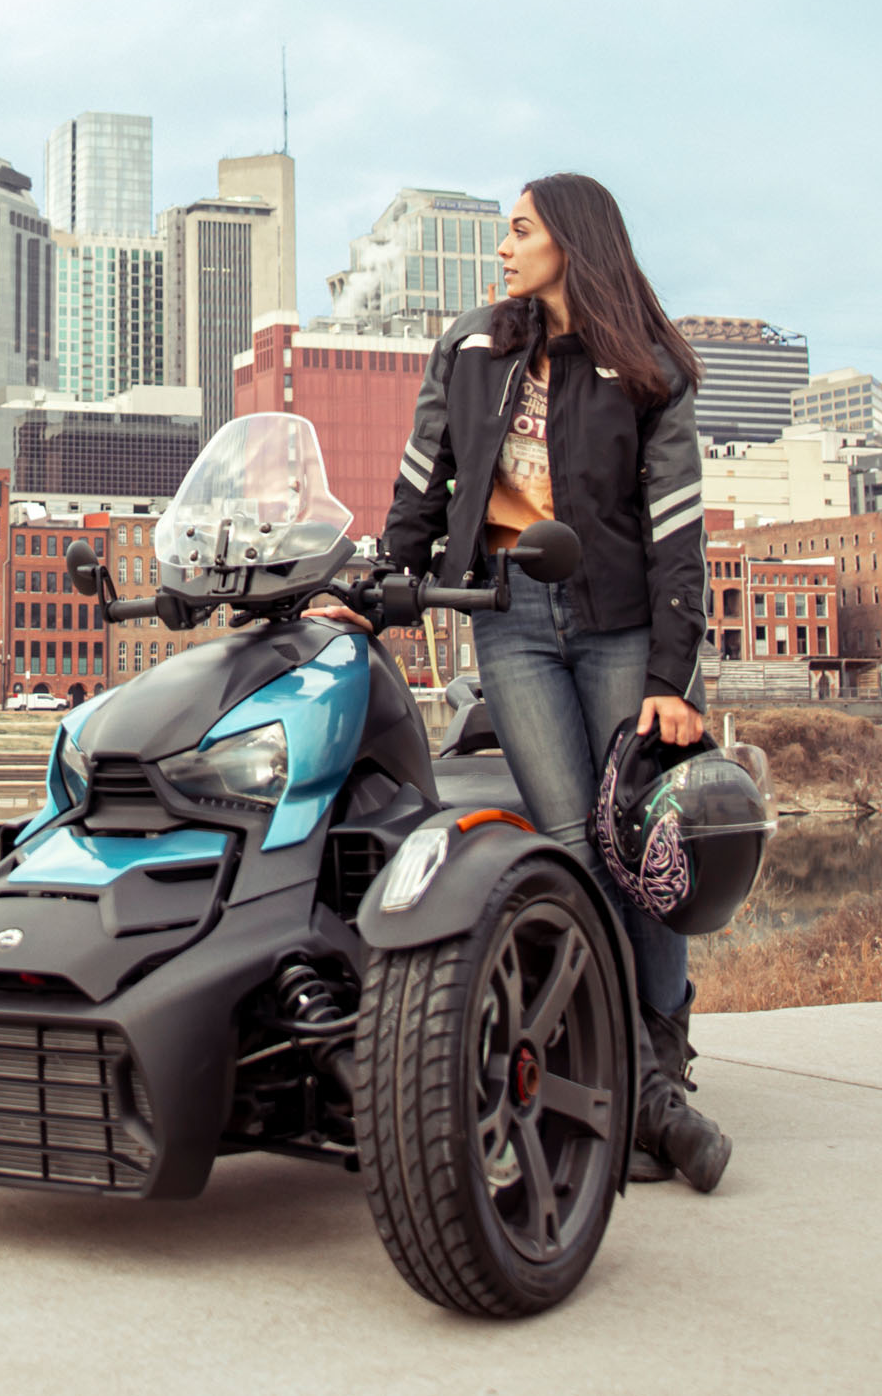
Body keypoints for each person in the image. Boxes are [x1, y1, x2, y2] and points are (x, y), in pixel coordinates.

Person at [309, 170, 730, 1191]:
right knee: (578, 840)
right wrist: (371, 594)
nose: (504, 248)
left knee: (642, 844)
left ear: (572, 243)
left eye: (521, 230)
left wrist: (675, 673)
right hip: (511, 618)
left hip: (625, 627)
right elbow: (422, 487)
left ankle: (659, 1061)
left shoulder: (649, 368)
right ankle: (634, 1080)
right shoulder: (471, 348)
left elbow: (677, 533)